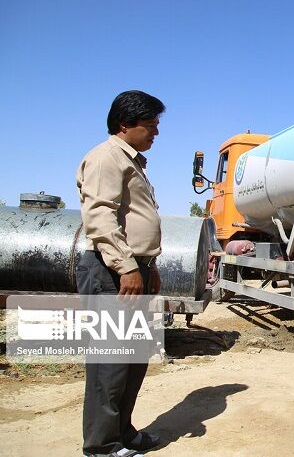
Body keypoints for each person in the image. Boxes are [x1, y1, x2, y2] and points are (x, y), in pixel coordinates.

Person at [76, 90, 165, 456]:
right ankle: (101, 446)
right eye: (150, 125)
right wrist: (127, 266)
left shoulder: (132, 160)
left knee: (133, 360)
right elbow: (100, 215)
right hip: (110, 271)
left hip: (133, 269)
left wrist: (149, 267)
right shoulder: (106, 157)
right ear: (124, 124)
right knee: (110, 364)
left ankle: (123, 434)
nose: (156, 132)